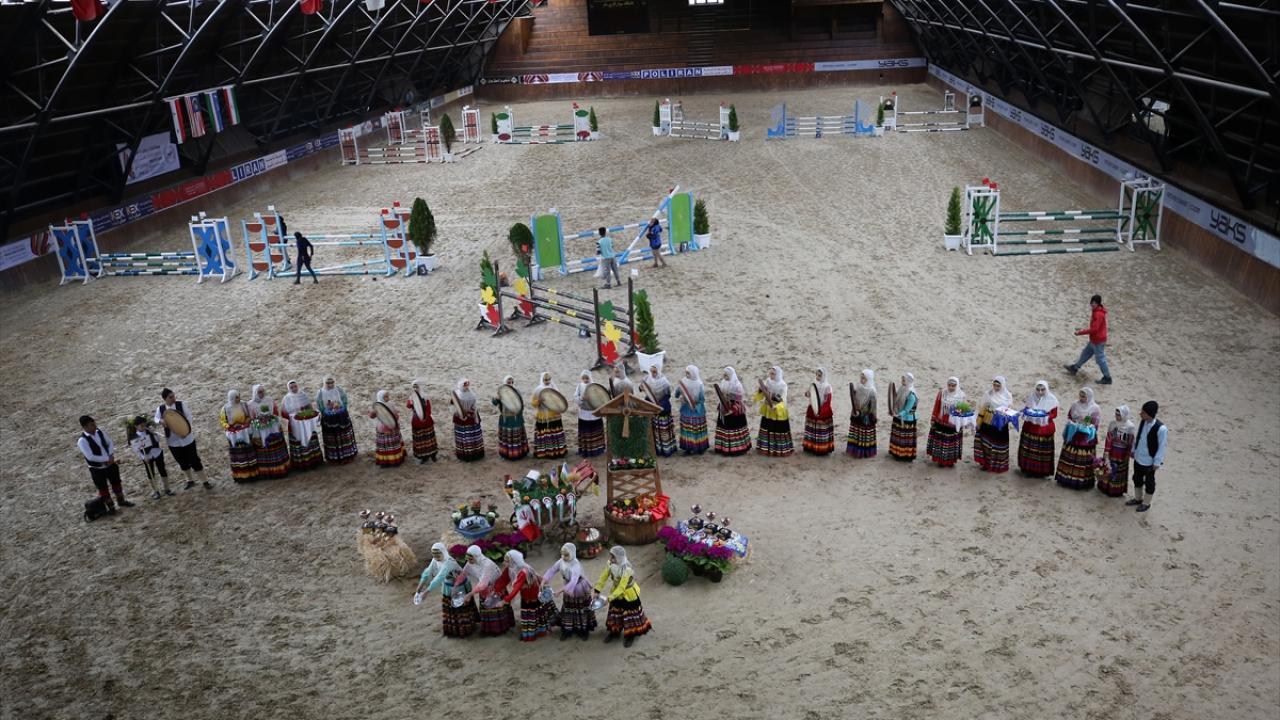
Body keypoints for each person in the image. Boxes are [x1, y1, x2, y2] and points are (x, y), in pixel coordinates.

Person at [414, 543, 476, 638]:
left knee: (460, 609)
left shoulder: (449, 562)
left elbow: (439, 577)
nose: (436, 557)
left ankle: (466, 630)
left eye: (438, 555)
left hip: (459, 587)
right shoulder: (435, 559)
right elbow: (427, 572)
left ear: (443, 552)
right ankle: (453, 630)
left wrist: (426, 591)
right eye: (434, 555)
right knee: (450, 609)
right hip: (448, 586)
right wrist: (420, 585)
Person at [594, 546, 652, 648]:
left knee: (630, 615)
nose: (610, 559)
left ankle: (631, 635)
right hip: (616, 593)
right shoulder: (610, 564)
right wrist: (597, 590)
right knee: (615, 612)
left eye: (613, 557)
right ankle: (614, 632)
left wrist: (609, 598)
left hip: (629, 594)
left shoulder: (627, 569)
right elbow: (603, 577)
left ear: (619, 558)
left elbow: (621, 587)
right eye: (610, 557)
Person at [155, 388, 212, 489]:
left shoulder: (181, 404)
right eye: (171, 397)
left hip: (187, 438)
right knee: (181, 461)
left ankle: (205, 481)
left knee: (194, 460)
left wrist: (184, 430)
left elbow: (189, 417)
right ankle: (189, 480)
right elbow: (155, 418)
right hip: (173, 441)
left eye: (174, 396)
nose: (174, 398)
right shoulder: (161, 409)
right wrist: (160, 421)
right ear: (165, 399)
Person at [497, 550, 558, 642]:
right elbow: (503, 580)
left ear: (513, 561)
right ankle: (532, 632)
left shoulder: (523, 572)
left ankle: (534, 633)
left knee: (532, 612)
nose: (504, 563)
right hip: (526, 593)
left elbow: (516, 588)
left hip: (533, 594)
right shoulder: (511, 569)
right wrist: (495, 589)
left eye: (506, 561)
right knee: (531, 612)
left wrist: (504, 600)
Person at [77, 416, 134, 511]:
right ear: (85, 427)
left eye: (94, 423)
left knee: (116, 482)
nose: (95, 426)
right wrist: (106, 459)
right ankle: (111, 507)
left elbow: (110, 443)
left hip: (110, 464)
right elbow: (90, 456)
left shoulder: (100, 432)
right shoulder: (82, 441)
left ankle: (121, 501)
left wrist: (111, 455)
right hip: (97, 469)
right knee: (103, 488)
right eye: (92, 425)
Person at [542, 543, 596, 641]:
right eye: (562, 554)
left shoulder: (576, 565)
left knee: (581, 609)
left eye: (566, 555)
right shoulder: (561, 561)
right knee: (568, 608)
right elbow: (552, 570)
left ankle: (583, 630)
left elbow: (573, 581)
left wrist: (560, 590)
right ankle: (568, 630)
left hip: (579, 587)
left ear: (572, 554)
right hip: (568, 587)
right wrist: (543, 580)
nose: (563, 557)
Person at [459, 545, 513, 637]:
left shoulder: (487, 565)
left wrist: (470, 594)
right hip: (483, 589)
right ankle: (488, 629)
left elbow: (483, 584)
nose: (468, 561)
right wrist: (456, 585)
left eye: (471, 559)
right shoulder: (470, 563)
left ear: (477, 556)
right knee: (486, 610)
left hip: (495, 588)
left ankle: (499, 629)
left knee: (494, 608)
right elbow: (463, 574)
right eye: (467, 558)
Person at [1055, 388, 1103, 490]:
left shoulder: (1095, 408)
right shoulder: (1075, 405)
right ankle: (1065, 479)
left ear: (1089, 397)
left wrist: (1088, 426)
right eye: (1080, 395)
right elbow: (1069, 416)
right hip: (1074, 434)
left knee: (1083, 459)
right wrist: (1073, 422)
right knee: (1069, 456)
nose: (1081, 398)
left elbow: (1096, 423)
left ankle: (1081, 482)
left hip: (1085, 438)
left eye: (1084, 396)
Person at [1127, 400, 1168, 513]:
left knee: (1149, 483)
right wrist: (1133, 450)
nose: (1141, 414)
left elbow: (1162, 446)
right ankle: (1138, 498)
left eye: (1143, 412)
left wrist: (1157, 462)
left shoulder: (1161, 429)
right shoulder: (1143, 422)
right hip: (1139, 457)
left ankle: (1146, 503)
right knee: (1137, 478)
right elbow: (1139, 437)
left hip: (1149, 461)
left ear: (1150, 414)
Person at [1064, 294, 1111, 384]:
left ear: (1098, 303)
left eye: (1095, 303)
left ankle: (1107, 377)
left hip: (1098, 341)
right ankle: (1075, 368)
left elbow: (1094, 329)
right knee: (1085, 354)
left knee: (1100, 360)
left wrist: (1080, 332)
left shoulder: (1098, 314)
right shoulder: (1096, 311)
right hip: (1094, 340)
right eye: (1092, 302)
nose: (1093, 304)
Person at [1016, 381, 1059, 478]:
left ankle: (1041, 471)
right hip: (1030, 427)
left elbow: (1054, 414)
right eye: (1038, 389)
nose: (1040, 392)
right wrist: (1027, 412)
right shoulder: (1031, 397)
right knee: (1029, 449)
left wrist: (1045, 416)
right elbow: (1026, 408)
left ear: (1046, 389)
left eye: (1042, 390)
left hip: (1044, 428)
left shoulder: (1052, 400)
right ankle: (1027, 468)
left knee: (1042, 451)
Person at [249, 384, 291, 479]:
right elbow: (251, 418)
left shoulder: (269, 399)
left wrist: (270, 418)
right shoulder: (251, 404)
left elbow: (275, 412)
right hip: (260, 429)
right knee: (264, 448)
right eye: (259, 392)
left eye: (263, 391)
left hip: (272, 427)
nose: (262, 393)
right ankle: (268, 471)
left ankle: (281, 468)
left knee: (276, 446)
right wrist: (259, 420)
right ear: (255, 393)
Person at [974, 376, 1014, 473]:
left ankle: (997, 465)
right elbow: (982, 408)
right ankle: (985, 463)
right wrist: (979, 422)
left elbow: (1008, 411)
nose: (996, 387)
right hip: (987, 422)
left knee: (998, 444)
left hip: (1000, 425)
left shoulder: (1008, 396)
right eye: (994, 385)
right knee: (985, 443)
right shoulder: (988, 394)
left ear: (1002, 385)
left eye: (998, 385)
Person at [281, 380, 323, 470]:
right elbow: (284, 413)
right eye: (291, 387)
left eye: (295, 386)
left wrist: (306, 411)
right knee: (298, 441)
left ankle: (314, 460)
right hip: (295, 424)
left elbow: (310, 407)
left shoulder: (303, 395)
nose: (294, 389)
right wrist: (292, 416)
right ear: (289, 388)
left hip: (306, 422)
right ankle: (301, 464)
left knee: (311, 439)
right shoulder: (286, 398)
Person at [316, 376, 358, 464]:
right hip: (329, 419)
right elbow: (320, 406)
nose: (330, 385)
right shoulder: (320, 393)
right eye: (328, 383)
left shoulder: (339, 389)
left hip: (341, 417)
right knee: (332, 438)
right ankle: (334, 458)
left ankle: (348, 456)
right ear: (324, 383)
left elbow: (345, 400)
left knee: (344, 436)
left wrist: (340, 408)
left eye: (332, 382)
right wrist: (327, 410)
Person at [129, 416, 172, 499]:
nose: (143, 427)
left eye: (144, 424)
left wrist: (154, 433)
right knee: (150, 473)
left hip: (157, 452)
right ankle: (156, 491)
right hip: (146, 456)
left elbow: (158, 440)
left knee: (162, 470)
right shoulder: (134, 437)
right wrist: (143, 457)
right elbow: (136, 450)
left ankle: (167, 488)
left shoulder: (149, 431)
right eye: (141, 425)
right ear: (136, 426)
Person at [754, 365, 794, 457]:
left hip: (778, 410)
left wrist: (777, 407)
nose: (771, 375)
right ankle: (765, 448)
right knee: (767, 427)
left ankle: (779, 450)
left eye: (773, 374)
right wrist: (761, 390)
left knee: (778, 429)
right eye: (770, 373)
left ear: (778, 374)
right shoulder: (768, 381)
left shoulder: (783, 385)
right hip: (768, 409)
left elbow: (783, 399)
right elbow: (764, 392)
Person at [926, 377, 965, 467]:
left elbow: (963, 410)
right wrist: (933, 418)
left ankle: (950, 461)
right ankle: (940, 461)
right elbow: (937, 406)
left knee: (951, 443)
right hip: (941, 422)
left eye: (953, 386)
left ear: (957, 385)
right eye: (949, 385)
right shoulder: (942, 393)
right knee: (941, 442)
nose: (951, 387)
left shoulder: (961, 396)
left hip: (953, 424)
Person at [220, 389, 258, 482]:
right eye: (236, 397)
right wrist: (229, 427)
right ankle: (241, 475)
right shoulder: (225, 408)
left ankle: (253, 473)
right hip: (234, 434)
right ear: (232, 398)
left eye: (239, 396)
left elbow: (249, 416)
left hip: (245, 431)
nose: (239, 398)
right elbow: (223, 421)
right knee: (239, 453)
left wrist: (247, 422)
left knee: (249, 451)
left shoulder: (243, 404)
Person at [713, 367, 751, 455]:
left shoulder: (737, 385)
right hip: (724, 408)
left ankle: (737, 449)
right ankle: (723, 447)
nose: (724, 376)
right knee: (724, 428)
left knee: (735, 428)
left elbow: (738, 399)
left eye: (726, 375)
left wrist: (732, 409)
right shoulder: (723, 382)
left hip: (735, 410)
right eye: (724, 374)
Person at [1099, 405, 1136, 498]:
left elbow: (1130, 443)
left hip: (1122, 453)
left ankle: (1116, 490)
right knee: (1108, 468)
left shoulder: (1130, 427)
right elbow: (1108, 438)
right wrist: (1106, 451)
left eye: (1119, 415)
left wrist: (1128, 454)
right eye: (1116, 414)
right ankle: (1105, 487)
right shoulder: (1113, 424)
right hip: (1112, 451)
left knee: (1119, 471)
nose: (1117, 417)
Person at [531, 371, 568, 459]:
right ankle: (545, 453)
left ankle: (557, 452)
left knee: (555, 435)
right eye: (545, 380)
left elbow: (560, 402)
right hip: (543, 416)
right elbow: (533, 403)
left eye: (548, 379)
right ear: (542, 380)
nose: (547, 381)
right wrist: (538, 401)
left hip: (555, 415)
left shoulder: (554, 388)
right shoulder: (538, 389)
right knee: (545, 435)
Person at [674, 365, 709, 455]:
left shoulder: (696, 383)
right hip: (690, 409)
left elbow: (702, 399)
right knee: (689, 429)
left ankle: (698, 448)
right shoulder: (686, 382)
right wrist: (680, 394)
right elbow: (676, 394)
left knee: (694, 428)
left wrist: (693, 402)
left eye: (688, 372)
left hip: (693, 409)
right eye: (686, 372)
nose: (686, 374)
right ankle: (690, 448)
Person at [643, 365, 677, 457]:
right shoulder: (648, 379)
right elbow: (646, 392)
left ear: (658, 371)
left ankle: (667, 450)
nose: (653, 374)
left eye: (654, 371)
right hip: (652, 408)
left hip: (663, 409)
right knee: (655, 431)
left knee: (663, 432)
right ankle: (657, 449)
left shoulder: (665, 382)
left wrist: (660, 403)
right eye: (651, 371)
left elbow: (668, 395)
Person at [492, 375, 529, 461]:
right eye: (509, 382)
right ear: (505, 383)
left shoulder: (517, 391)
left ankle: (519, 453)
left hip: (516, 418)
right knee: (506, 438)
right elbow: (494, 402)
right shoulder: (500, 392)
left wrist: (519, 415)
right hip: (506, 419)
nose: (511, 384)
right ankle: (506, 454)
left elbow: (521, 405)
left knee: (518, 437)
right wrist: (496, 398)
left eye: (512, 382)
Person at [369, 390, 406, 467]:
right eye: (385, 396)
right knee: (385, 447)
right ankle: (385, 461)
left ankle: (395, 460)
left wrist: (395, 418)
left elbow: (396, 416)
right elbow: (371, 416)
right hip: (382, 428)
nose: (387, 398)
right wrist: (373, 412)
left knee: (393, 444)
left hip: (392, 427)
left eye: (388, 396)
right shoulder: (378, 407)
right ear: (381, 397)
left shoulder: (391, 404)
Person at [802, 368, 835, 456]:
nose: (817, 377)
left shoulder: (827, 387)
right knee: (812, 428)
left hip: (823, 411)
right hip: (813, 408)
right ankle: (810, 446)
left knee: (821, 429)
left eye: (819, 375)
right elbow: (810, 393)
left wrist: (821, 411)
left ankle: (821, 449)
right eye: (816, 375)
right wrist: (807, 394)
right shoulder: (813, 383)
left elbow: (827, 401)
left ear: (823, 376)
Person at [573, 370, 606, 457]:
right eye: (583, 378)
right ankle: (585, 450)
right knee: (585, 432)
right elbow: (575, 397)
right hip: (584, 413)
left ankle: (597, 450)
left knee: (595, 431)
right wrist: (582, 398)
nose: (585, 380)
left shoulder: (594, 386)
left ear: (590, 378)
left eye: (587, 378)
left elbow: (601, 398)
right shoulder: (579, 386)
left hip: (594, 413)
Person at [846, 369, 878, 458]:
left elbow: (873, 406)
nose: (861, 380)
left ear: (869, 379)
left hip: (865, 416)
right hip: (857, 413)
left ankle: (864, 452)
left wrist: (873, 416)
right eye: (861, 378)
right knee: (856, 433)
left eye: (864, 379)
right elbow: (854, 398)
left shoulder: (872, 391)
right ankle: (854, 450)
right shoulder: (859, 387)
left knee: (864, 434)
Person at [451, 378, 485, 461]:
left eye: (467, 385)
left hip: (471, 418)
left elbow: (474, 406)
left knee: (472, 436)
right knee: (463, 436)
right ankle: (464, 454)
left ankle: (475, 454)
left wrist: (470, 413)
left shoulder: (471, 394)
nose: (466, 387)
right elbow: (453, 406)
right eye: (464, 385)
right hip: (460, 418)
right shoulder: (457, 395)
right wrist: (459, 414)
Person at [406, 380, 438, 463]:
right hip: (417, 420)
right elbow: (408, 406)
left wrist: (425, 417)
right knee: (420, 439)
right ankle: (424, 456)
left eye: (416, 387)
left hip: (426, 420)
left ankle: (433, 454)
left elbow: (428, 409)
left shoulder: (425, 396)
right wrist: (410, 402)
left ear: (420, 387)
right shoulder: (412, 397)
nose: (415, 388)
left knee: (429, 438)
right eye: (414, 387)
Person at [888, 373, 919, 462]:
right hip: (898, 416)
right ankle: (896, 453)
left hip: (906, 419)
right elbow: (896, 399)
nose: (902, 382)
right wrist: (893, 411)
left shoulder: (911, 394)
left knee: (905, 438)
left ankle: (905, 455)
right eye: (902, 380)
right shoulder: (902, 389)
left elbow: (907, 409)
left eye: (904, 380)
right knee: (898, 436)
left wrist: (899, 414)